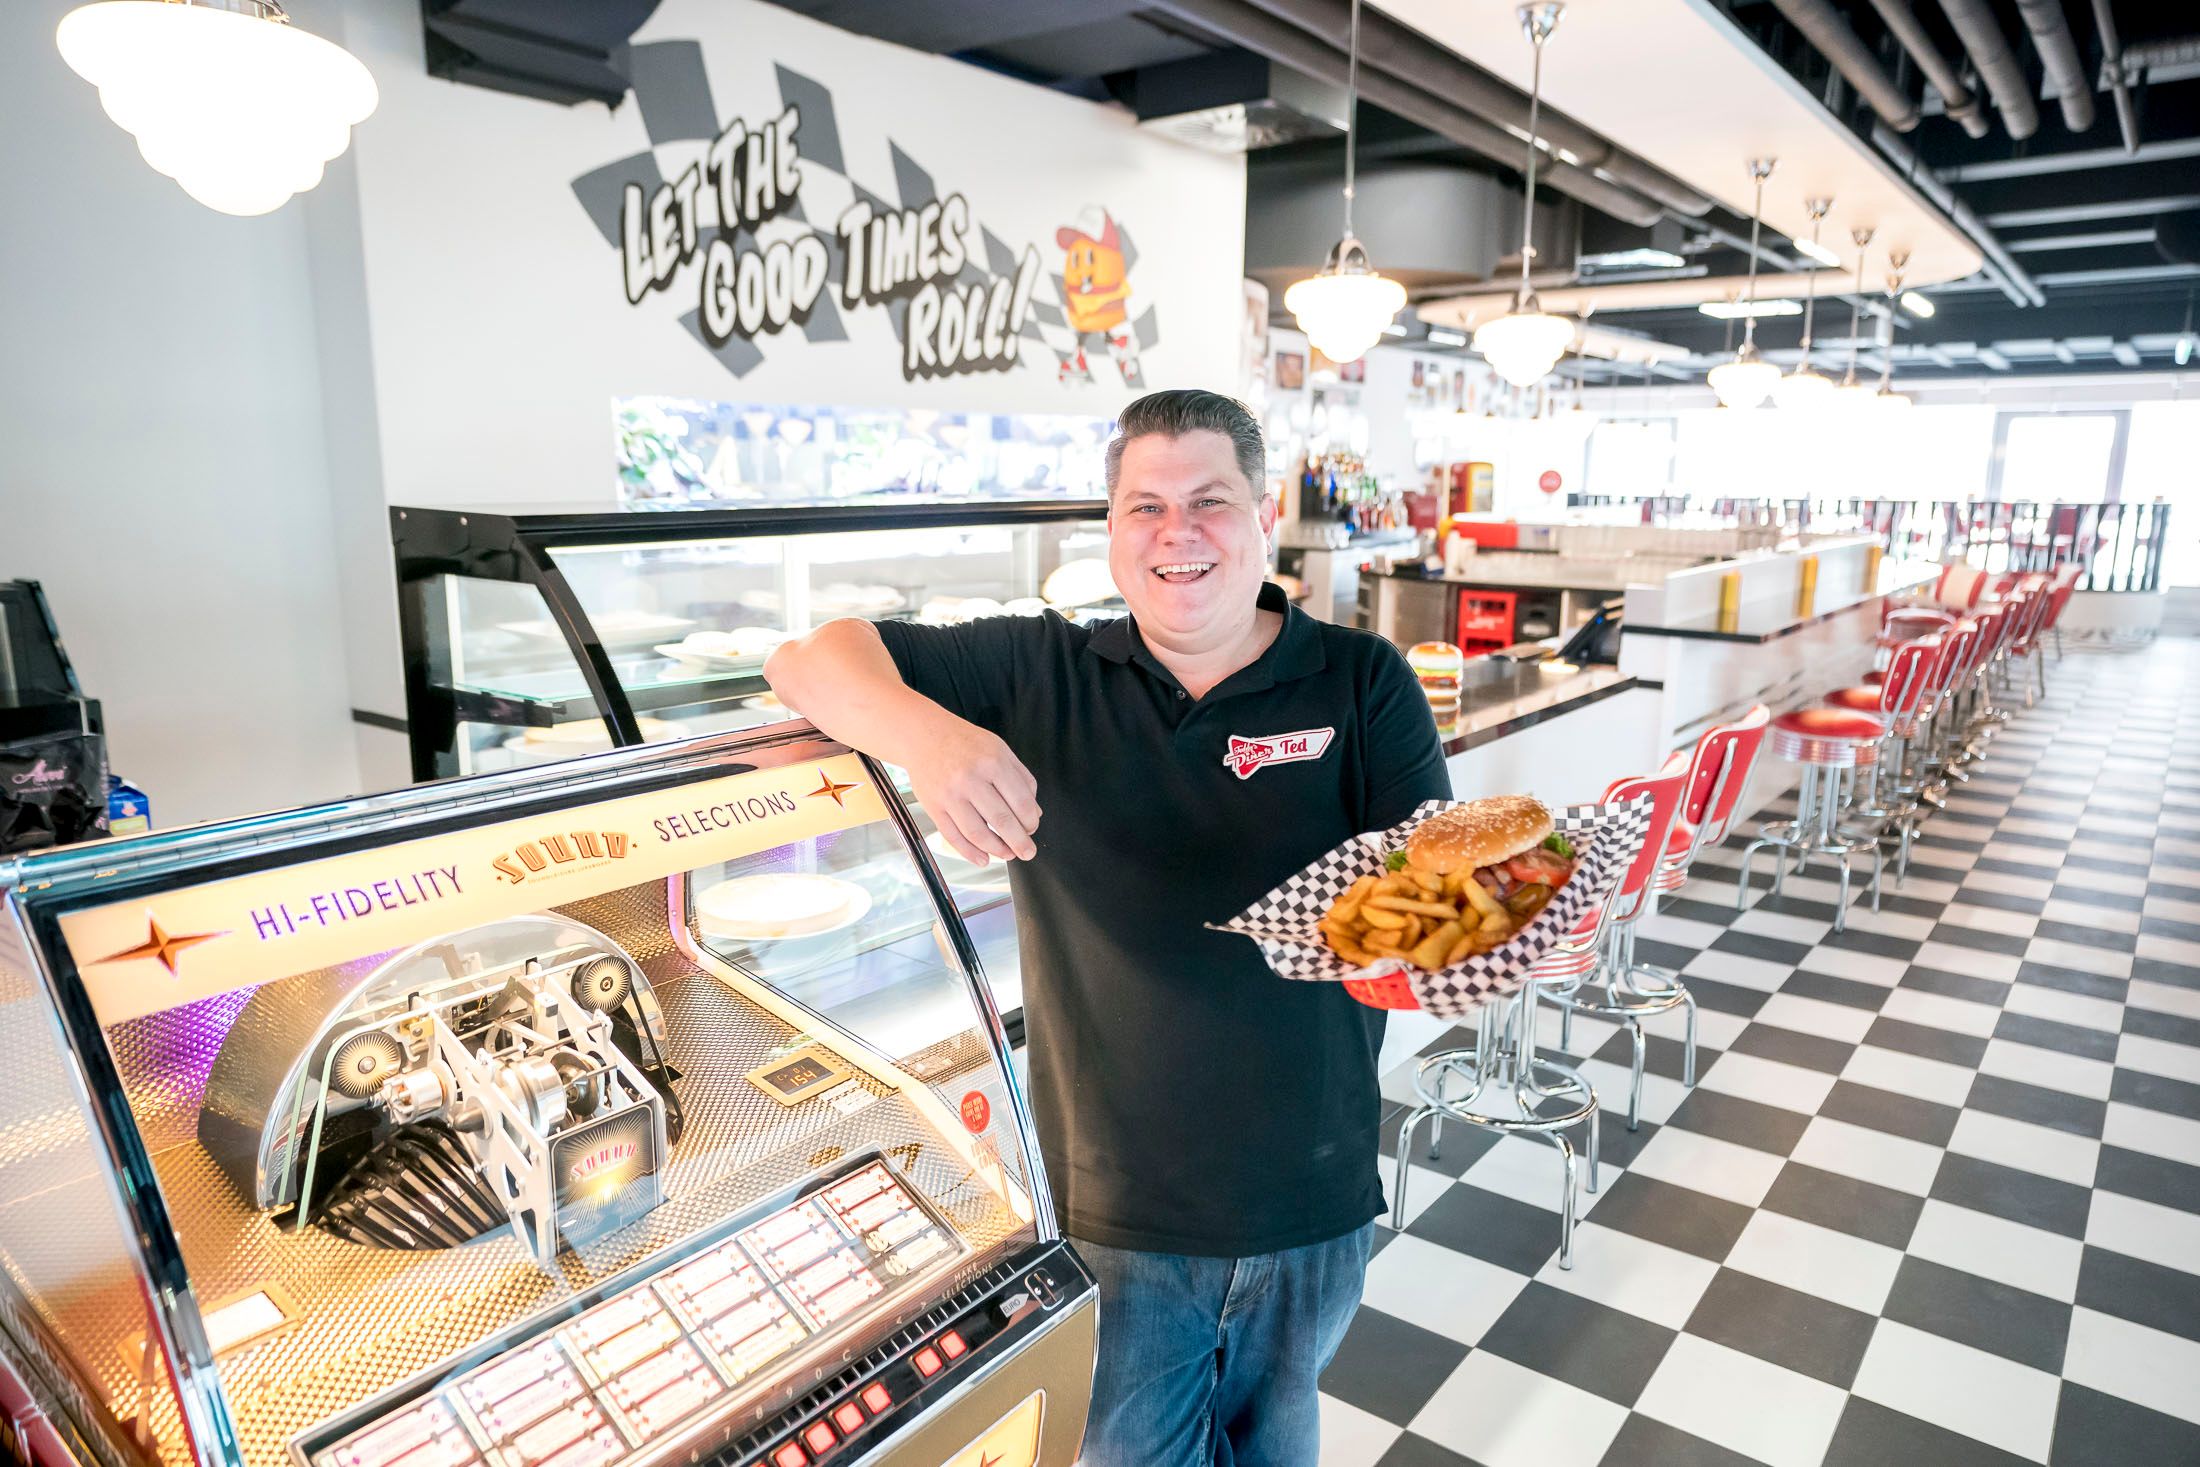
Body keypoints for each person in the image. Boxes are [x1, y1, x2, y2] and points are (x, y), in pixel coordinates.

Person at [765, 389, 1448, 1466]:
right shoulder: (1039, 671)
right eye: (1144, 507)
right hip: (1115, 1211)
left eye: (1209, 501)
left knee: (1281, 1445)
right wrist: (931, 741)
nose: (1177, 532)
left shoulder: (1361, 681)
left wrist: (1503, 944)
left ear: (1261, 513)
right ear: (1112, 532)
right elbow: (809, 660)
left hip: (1311, 1191)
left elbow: (1436, 898)